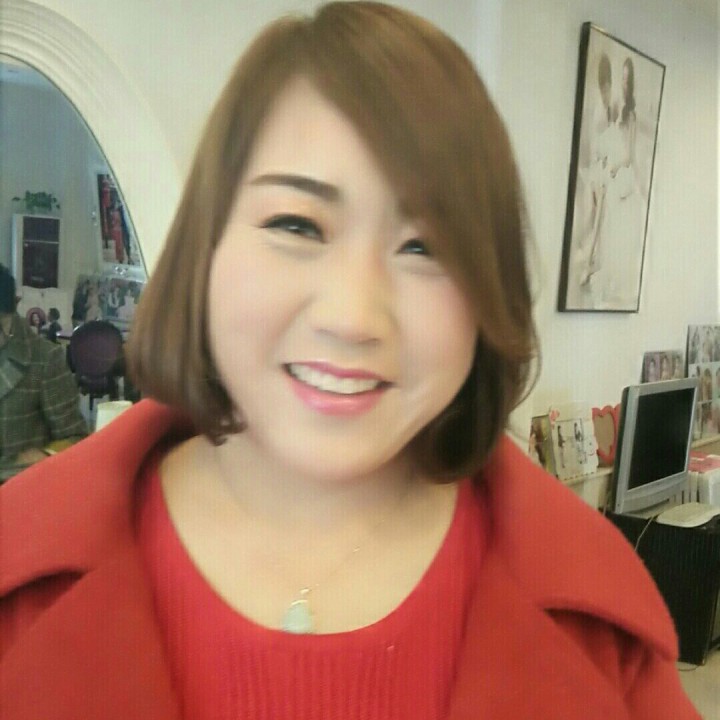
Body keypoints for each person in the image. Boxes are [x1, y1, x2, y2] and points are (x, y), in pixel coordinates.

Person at [0, 5, 700, 719]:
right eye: (297, 225)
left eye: (424, 247)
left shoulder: (598, 629)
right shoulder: (19, 581)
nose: (352, 316)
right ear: (204, 248)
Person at [0, 265, 87, 481]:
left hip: (18, 487)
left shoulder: (43, 360)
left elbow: (76, 437)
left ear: (13, 308)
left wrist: (45, 454)